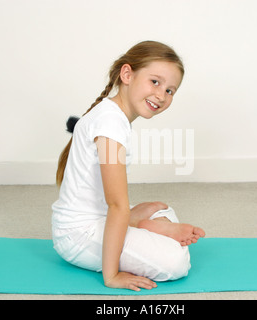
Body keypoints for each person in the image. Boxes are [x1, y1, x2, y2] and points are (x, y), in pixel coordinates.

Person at [52, 40, 205, 292]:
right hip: (78, 236)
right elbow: (117, 205)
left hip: (99, 217)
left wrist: (131, 215)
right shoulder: (110, 124)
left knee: (163, 210)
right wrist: (111, 275)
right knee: (177, 262)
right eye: (155, 81)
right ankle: (143, 226)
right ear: (127, 74)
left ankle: (145, 224)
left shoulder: (113, 116)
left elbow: (114, 203)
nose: (161, 95)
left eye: (170, 91)